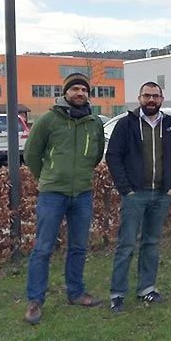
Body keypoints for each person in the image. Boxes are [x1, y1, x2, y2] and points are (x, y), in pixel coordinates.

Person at [23, 72, 105, 325]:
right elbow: (32, 154)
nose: (79, 93)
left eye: (84, 90)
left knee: (79, 247)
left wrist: (80, 175)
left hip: (82, 193)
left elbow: (97, 153)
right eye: (75, 89)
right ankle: (35, 300)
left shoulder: (94, 123)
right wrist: (48, 176)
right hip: (52, 194)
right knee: (43, 248)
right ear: (65, 93)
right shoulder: (48, 119)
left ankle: (76, 292)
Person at [106, 81, 171, 313]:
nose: (151, 100)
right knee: (126, 244)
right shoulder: (126, 124)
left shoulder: (169, 124)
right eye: (147, 96)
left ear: (162, 99)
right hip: (135, 194)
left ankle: (146, 288)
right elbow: (113, 157)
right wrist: (126, 189)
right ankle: (118, 293)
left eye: (156, 96)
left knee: (151, 243)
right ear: (139, 98)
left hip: (161, 194)